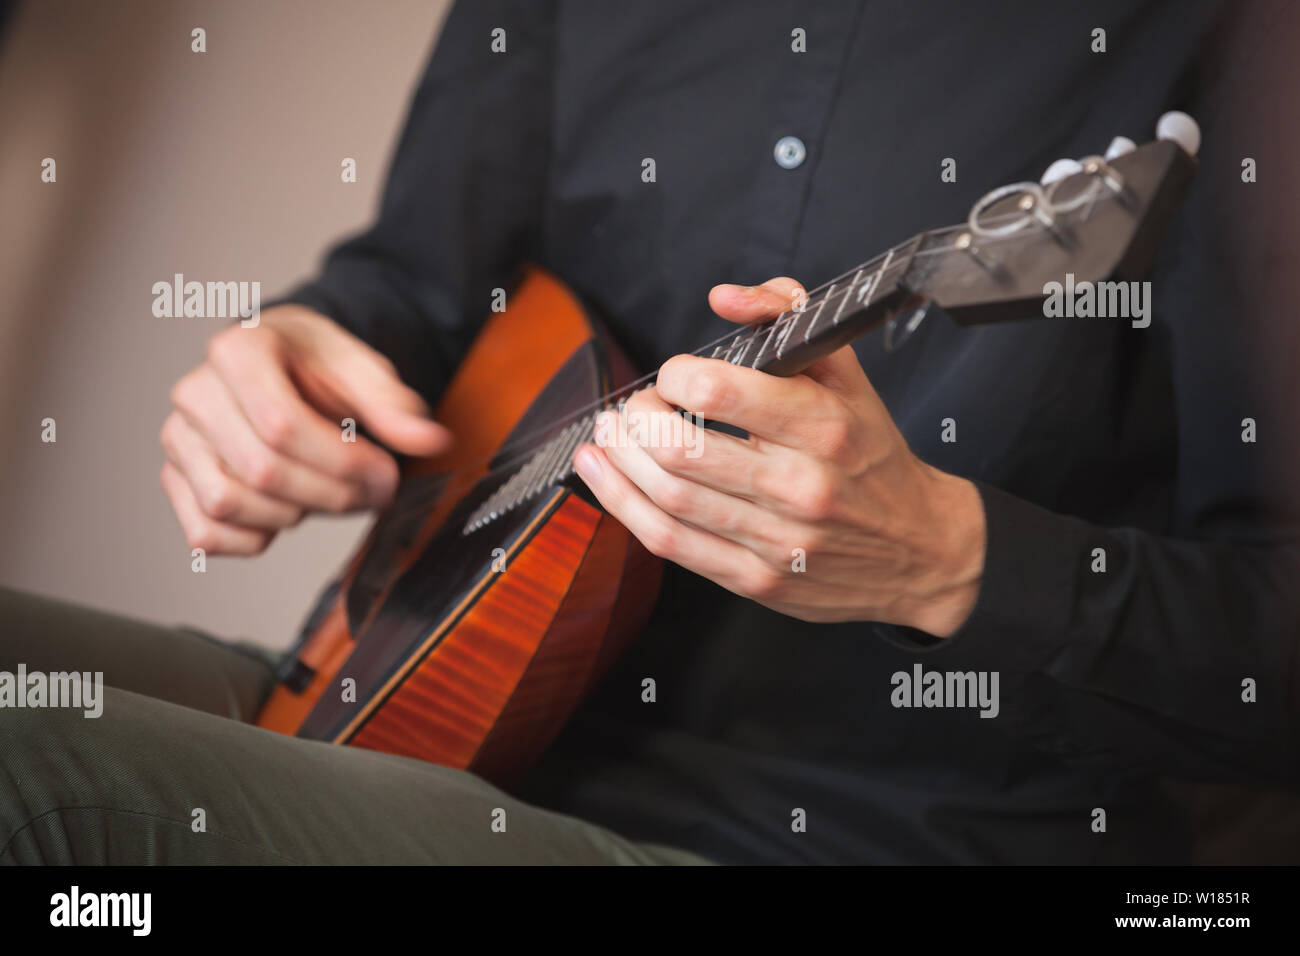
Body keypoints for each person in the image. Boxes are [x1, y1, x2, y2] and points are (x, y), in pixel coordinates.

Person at [2, 0, 1297, 865]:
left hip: (844, 834)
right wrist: (294, 352)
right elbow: (419, 285)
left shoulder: (1231, 45)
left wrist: (948, 558)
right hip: (413, 693)